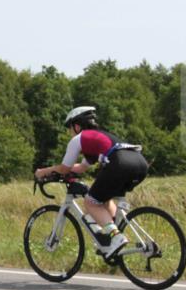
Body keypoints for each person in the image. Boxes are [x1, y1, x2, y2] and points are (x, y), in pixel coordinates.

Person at [34, 106, 148, 258]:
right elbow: (81, 168)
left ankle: (116, 236)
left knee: (90, 202)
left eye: (69, 128)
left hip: (120, 163)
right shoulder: (97, 137)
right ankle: (112, 237)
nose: (69, 132)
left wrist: (43, 172)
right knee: (103, 199)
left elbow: (64, 167)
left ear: (77, 126)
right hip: (139, 163)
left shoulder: (79, 139)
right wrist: (61, 172)